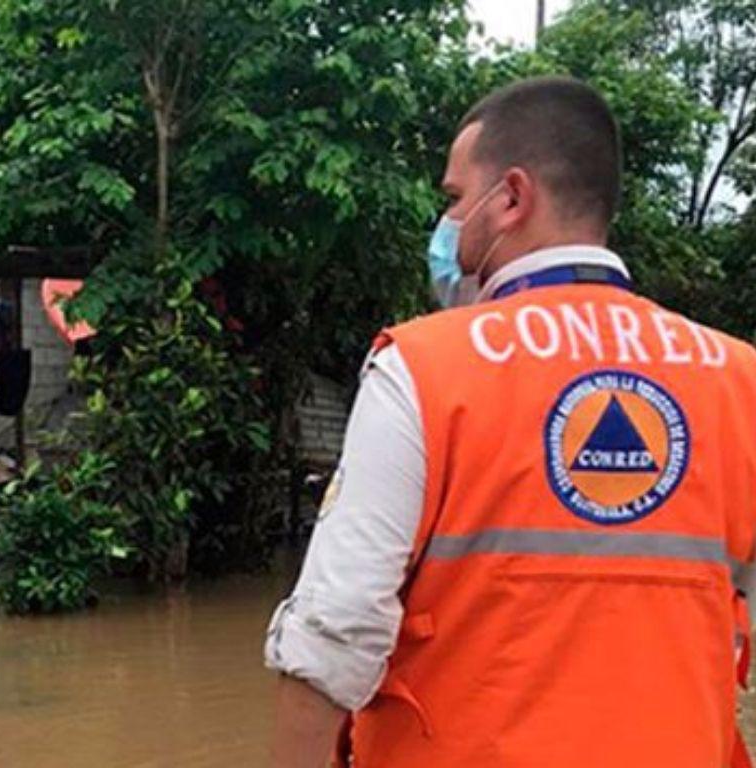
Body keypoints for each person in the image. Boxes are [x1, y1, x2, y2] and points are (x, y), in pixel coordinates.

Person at [265, 76, 756, 768]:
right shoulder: (740, 380)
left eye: (456, 199)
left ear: (513, 198)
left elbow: (331, 633)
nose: (447, 226)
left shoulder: (423, 369)